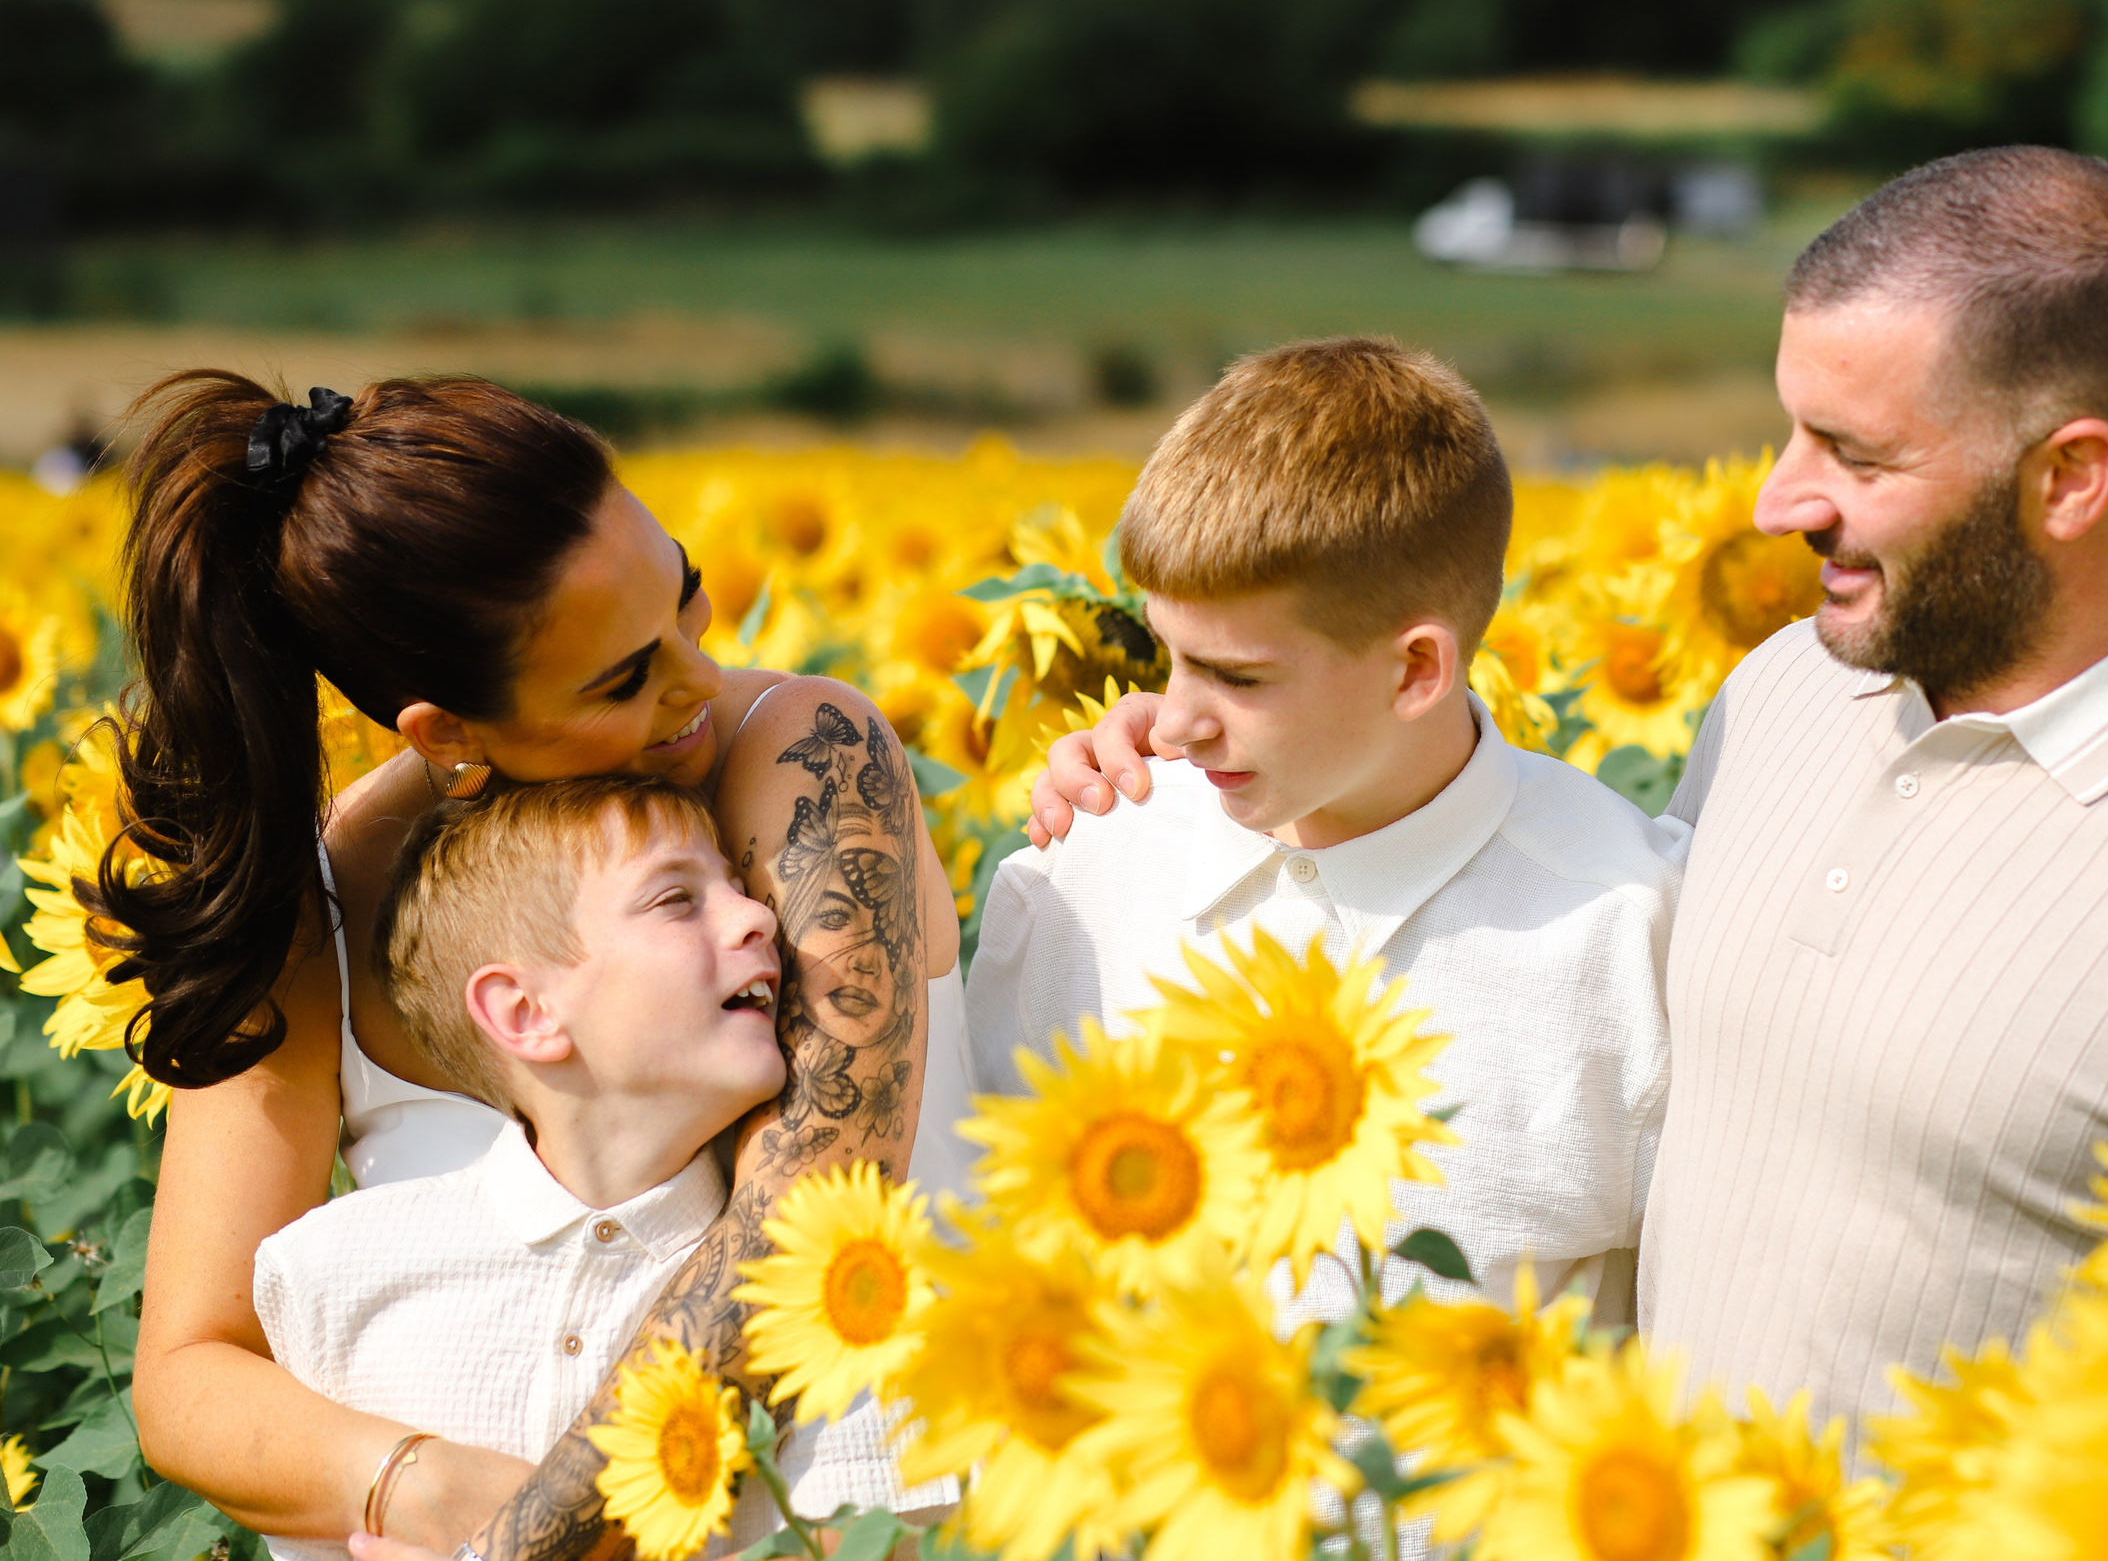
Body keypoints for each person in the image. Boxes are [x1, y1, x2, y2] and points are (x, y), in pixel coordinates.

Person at [1025, 149, 2108, 1440]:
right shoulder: (1792, 695)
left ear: (2070, 477)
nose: (1775, 500)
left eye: (1854, 453)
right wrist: (1190, 747)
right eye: (1794, 426)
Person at [112, 372, 961, 1557]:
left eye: (687, 599)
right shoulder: (322, 910)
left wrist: (519, 1543)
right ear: (444, 734)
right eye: (622, 680)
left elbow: (798, 1236)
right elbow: (187, 1375)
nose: (700, 681)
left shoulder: (802, 758)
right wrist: (413, 1486)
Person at [965, 337, 1683, 1326]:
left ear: (1414, 672)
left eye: (1239, 677)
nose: (1171, 721)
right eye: (1169, 655)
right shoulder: (1083, 879)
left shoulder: (1629, 935)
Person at [257, 777, 947, 1561]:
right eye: (676, 900)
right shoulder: (335, 1277)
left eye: (738, 884)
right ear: (526, 1012)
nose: (759, 914)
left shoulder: (843, 1293)